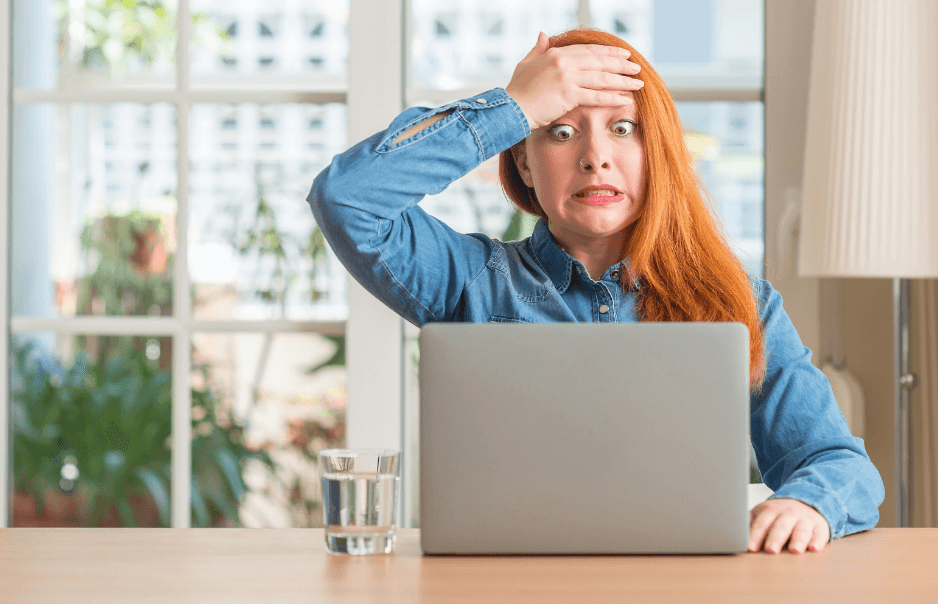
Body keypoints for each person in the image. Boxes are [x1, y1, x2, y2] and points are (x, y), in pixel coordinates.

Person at [307, 28, 884, 555]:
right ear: (526, 165)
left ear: (655, 155)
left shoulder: (745, 304)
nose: (595, 157)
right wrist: (513, 107)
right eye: (559, 131)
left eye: (624, 128)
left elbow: (836, 462)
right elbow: (347, 198)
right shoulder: (471, 281)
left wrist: (807, 504)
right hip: (500, 586)